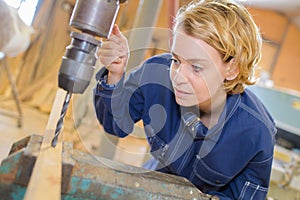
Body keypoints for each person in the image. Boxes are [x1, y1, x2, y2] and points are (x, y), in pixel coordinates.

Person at [93, 0, 277, 199]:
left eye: (196, 68)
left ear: (232, 69)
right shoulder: (155, 75)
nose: (178, 77)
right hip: (154, 182)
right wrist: (115, 75)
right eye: (176, 60)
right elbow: (115, 124)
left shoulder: (256, 133)